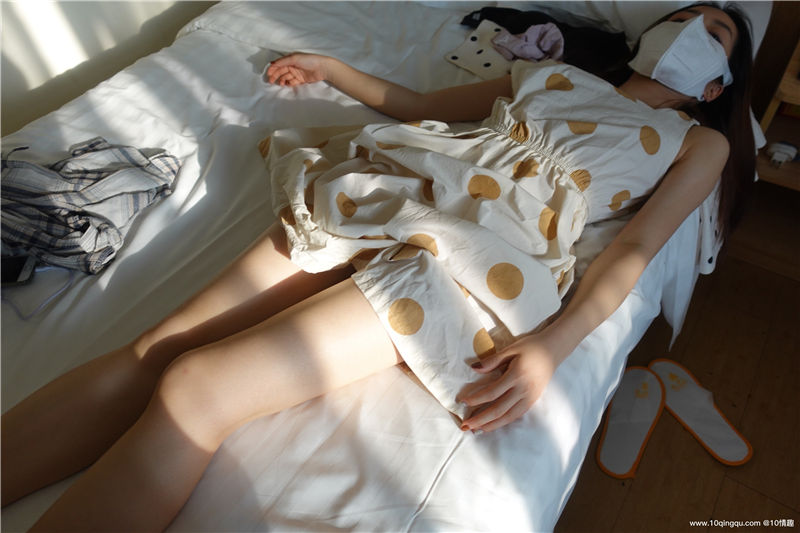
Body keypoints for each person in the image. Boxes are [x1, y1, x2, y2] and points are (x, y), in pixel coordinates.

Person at [1, 3, 753, 531]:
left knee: (194, 387)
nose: (692, 27)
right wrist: (331, 68)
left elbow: (632, 249)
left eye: (714, 30)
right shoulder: (556, 76)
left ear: (717, 84)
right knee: (153, 350)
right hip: (391, 182)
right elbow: (421, 103)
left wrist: (554, 346)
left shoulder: (697, 141)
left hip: (480, 254)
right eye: (684, 15)